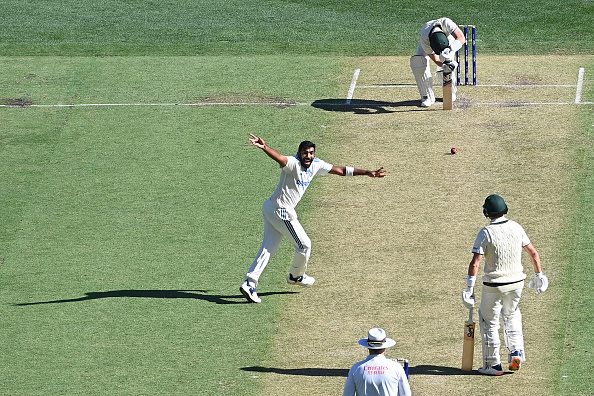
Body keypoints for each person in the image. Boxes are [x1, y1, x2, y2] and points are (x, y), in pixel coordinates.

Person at [240, 134, 386, 304]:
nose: (308, 156)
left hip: (271, 208)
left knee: (268, 249)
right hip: (281, 211)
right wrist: (265, 147)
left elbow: (340, 170)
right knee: (304, 245)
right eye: (305, 153)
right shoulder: (293, 164)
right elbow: (279, 157)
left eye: (311, 153)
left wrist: (368, 172)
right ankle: (296, 276)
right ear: (299, 153)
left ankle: (250, 283)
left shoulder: (316, 164)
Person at [462, 194, 549, 375]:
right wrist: (539, 274)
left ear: (486, 212)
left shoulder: (485, 232)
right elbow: (533, 252)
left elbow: (475, 262)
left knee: (489, 322)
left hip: (494, 285)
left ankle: (493, 365)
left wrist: (470, 289)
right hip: (517, 283)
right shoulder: (516, 227)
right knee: (512, 314)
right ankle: (516, 352)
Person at [410, 17, 466, 107]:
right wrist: (445, 65)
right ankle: (427, 96)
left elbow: (461, 38)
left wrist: (449, 54)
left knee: (447, 65)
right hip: (428, 40)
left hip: (448, 42)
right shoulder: (425, 38)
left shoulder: (447, 23)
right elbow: (436, 60)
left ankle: (450, 91)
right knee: (418, 62)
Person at [343, 328, 411, 396]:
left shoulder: (356, 368)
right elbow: (406, 393)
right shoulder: (396, 367)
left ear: (368, 347)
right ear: (385, 347)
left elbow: (347, 394)